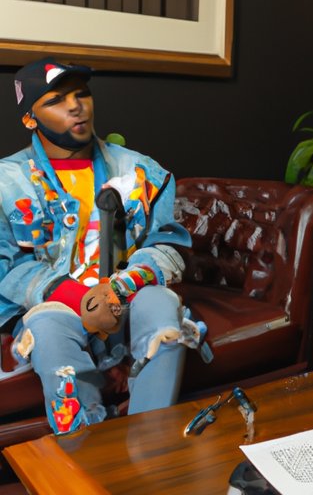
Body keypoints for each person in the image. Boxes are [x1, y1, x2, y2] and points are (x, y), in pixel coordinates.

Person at [0, 57, 205, 434]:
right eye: (55, 100)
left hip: (127, 295)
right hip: (56, 304)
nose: (75, 106)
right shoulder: (6, 182)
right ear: (30, 119)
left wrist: (118, 289)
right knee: (47, 333)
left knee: (164, 310)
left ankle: (151, 445)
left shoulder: (142, 171)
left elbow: (167, 247)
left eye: (81, 94)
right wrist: (81, 299)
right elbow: (8, 268)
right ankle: (85, 450)